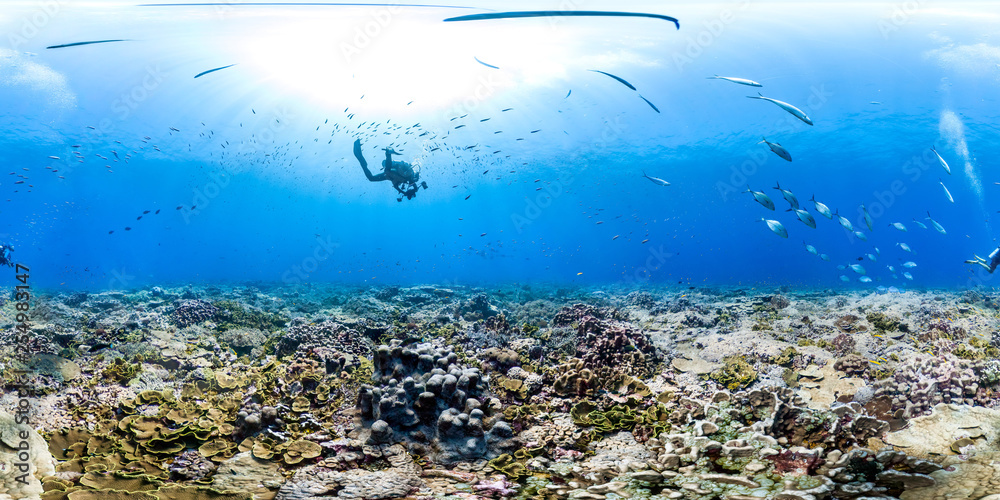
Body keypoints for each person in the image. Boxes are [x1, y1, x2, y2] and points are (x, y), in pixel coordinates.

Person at [353, 139, 428, 201]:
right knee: (386, 172)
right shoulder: (409, 178)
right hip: (401, 171)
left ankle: (360, 157)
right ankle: (388, 154)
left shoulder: (400, 182)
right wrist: (408, 192)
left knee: (372, 178)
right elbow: (412, 184)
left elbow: (397, 186)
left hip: (392, 173)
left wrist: (404, 192)